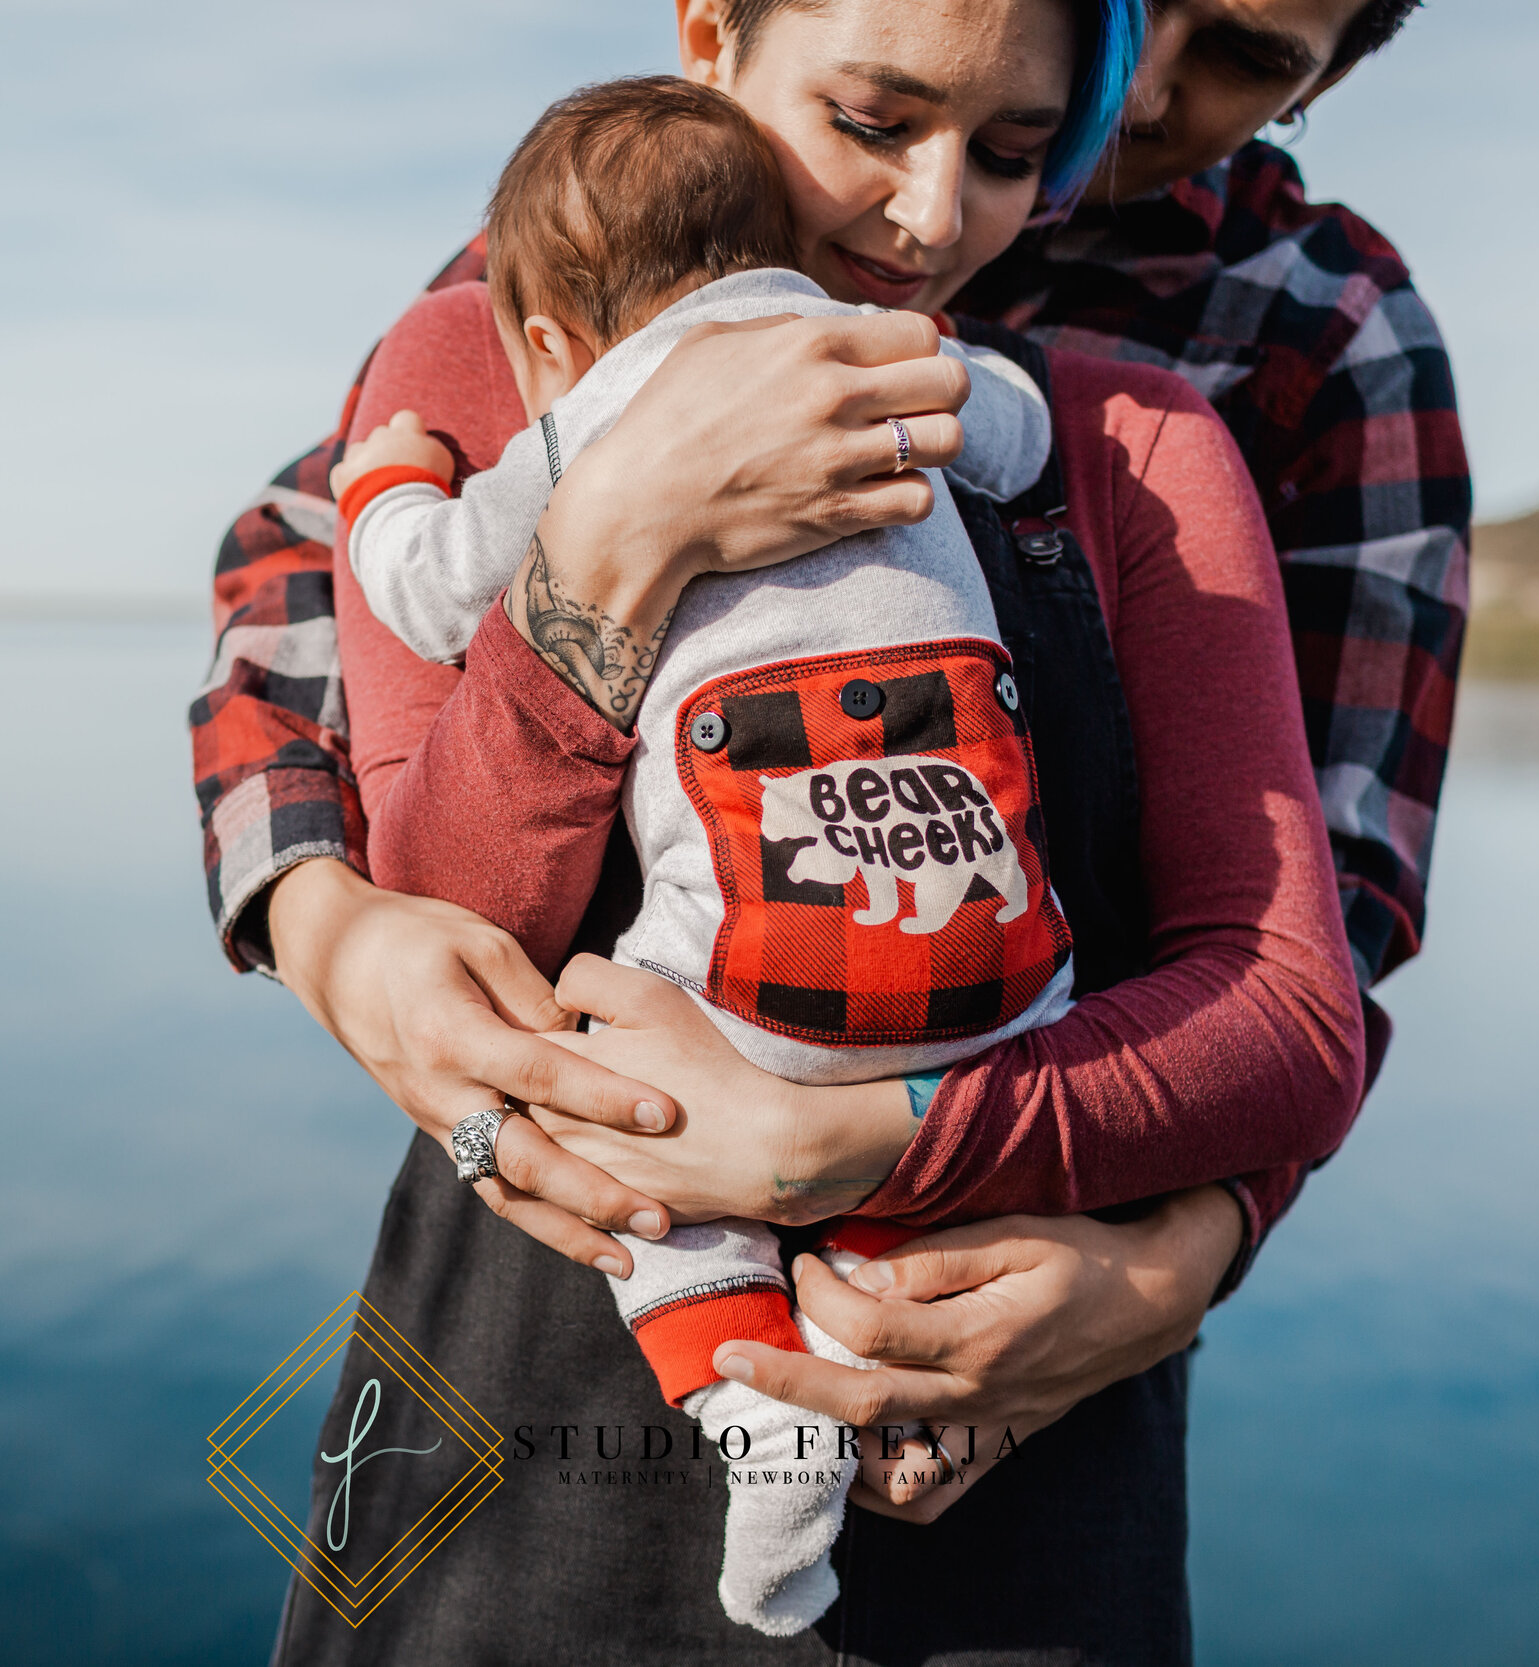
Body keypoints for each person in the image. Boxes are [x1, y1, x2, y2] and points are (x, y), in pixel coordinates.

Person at [189, 0, 1467, 1656]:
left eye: (1022, 145)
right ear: (711, 41)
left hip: (1014, 1382)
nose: (942, 212)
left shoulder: (1200, 396)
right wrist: (320, 914)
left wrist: (1171, 1256)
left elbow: (1308, 967)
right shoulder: (546, 286)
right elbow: (325, 596)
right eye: (872, 123)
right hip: (525, 1410)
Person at [332, 75, 1089, 1634]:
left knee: (619, 1106)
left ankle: (757, 1409)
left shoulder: (597, 405)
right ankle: (876, 1313)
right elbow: (1019, 437)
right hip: (1016, 970)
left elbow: (421, 590)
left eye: (1009, 154)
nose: (935, 209)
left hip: (763, 977)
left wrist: (384, 483)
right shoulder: (897, 353)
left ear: (542, 344)